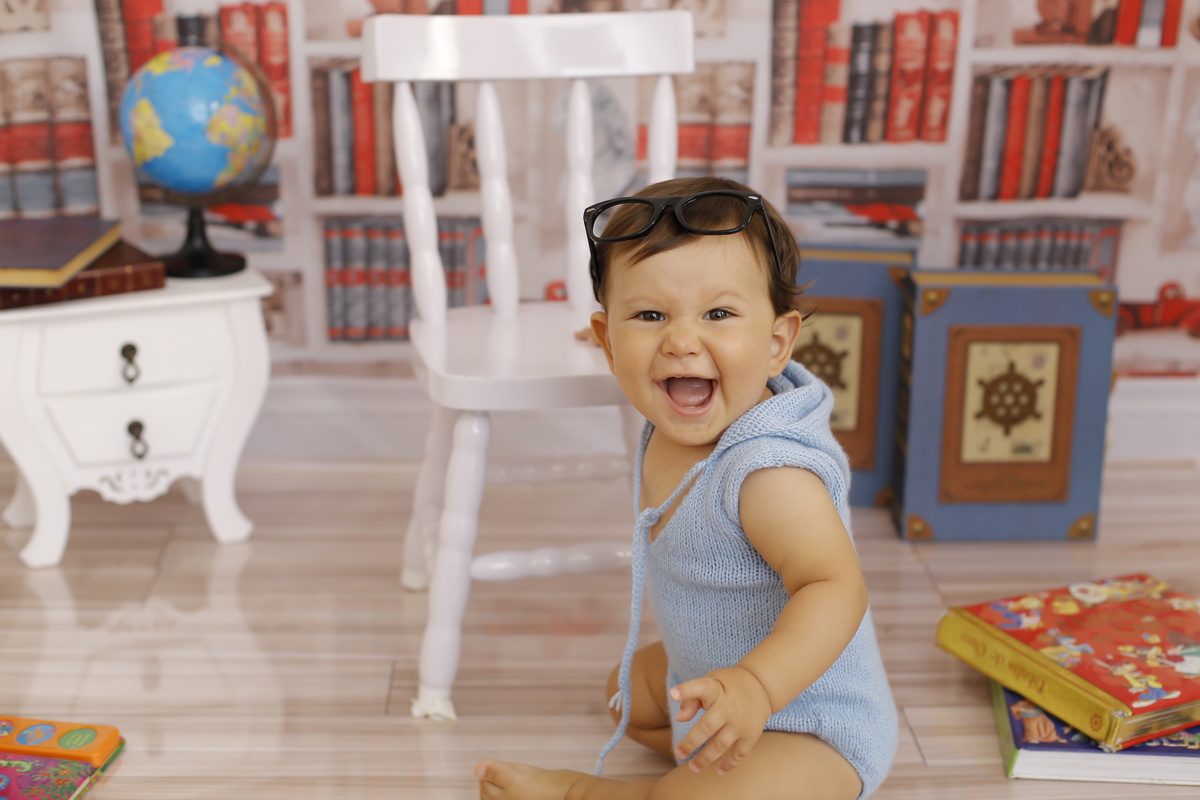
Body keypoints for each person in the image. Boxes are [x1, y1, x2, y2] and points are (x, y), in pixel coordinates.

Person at [475, 176, 898, 800]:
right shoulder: (682, 406)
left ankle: (594, 794)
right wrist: (626, 337)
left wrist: (757, 685)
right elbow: (662, 340)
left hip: (811, 724)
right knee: (625, 696)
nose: (679, 342)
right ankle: (702, 746)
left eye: (718, 314)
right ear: (609, 343)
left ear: (776, 344)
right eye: (649, 316)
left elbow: (835, 587)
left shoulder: (770, 473)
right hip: (714, 673)